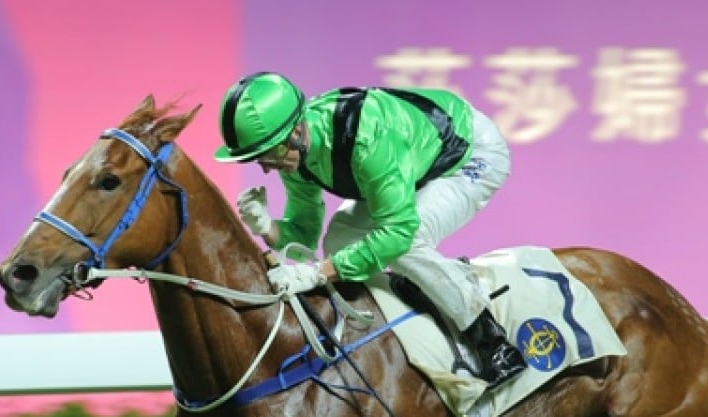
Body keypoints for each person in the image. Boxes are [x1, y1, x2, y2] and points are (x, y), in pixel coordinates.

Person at [214, 71, 527, 389]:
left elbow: (399, 232)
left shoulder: (367, 138)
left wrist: (319, 273)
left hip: (467, 156)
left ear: (297, 130)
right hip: (410, 160)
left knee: (408, 241)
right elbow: (305, 234)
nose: (268, 167)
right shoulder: (294, 150)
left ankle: (490, 339)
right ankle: (424, 288)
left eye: (271, 154)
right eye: (258, 159)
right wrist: (266, 226)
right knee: (337, 242)